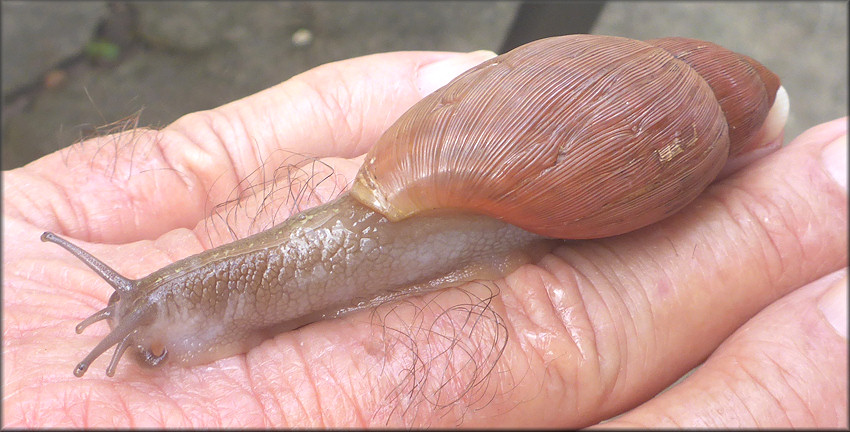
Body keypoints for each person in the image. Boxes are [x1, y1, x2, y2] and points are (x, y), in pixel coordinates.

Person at [2, 49, 846, 428]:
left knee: (344, 244)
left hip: (547, 183)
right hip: (461, 195)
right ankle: (166, 307)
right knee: (308, 252)